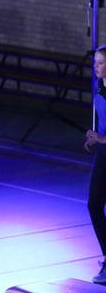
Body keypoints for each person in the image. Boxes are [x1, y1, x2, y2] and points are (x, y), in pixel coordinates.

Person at [85, 44, 106, 284]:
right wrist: (95, 137)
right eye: (95, 62)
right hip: (103, 152)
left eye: (100, 62)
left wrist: (102, 138)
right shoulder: (99, 86)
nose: (95, 66)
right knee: (94, 204)